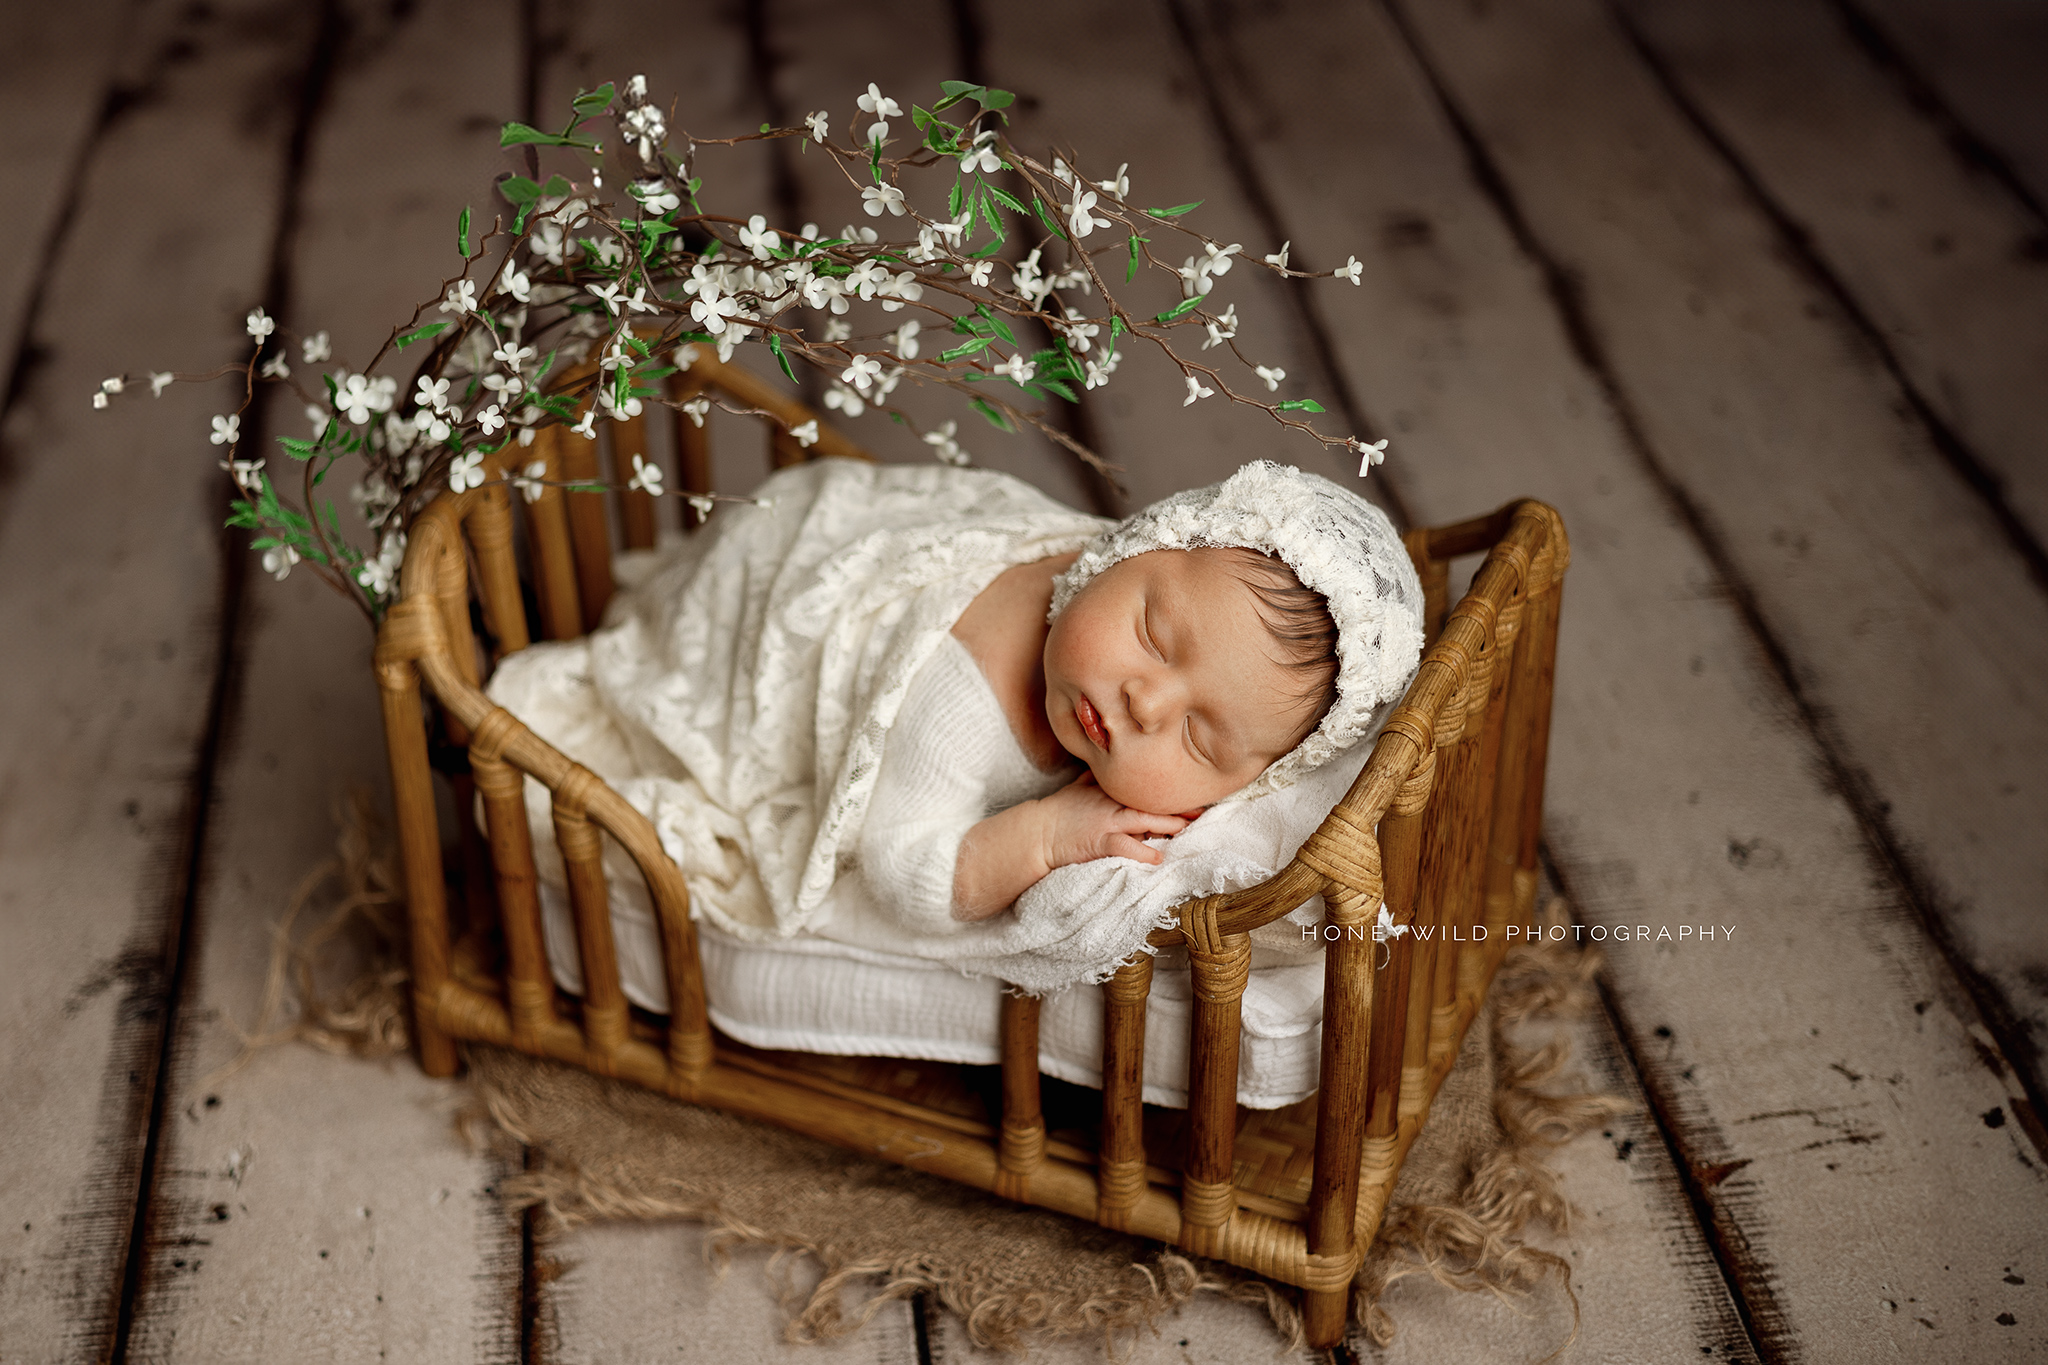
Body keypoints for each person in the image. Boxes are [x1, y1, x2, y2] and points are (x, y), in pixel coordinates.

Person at [855, 460, 1422, 932]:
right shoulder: (959, 700)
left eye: (1199, 738)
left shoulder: (1156, 602)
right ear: (1132, 551)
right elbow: (900, 877)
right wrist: (1046, 837)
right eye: (1153, 636)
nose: (1145, 704)